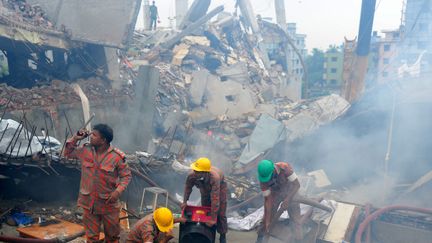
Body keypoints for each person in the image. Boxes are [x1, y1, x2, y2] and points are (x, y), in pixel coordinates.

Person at [64, 124, 131, 243]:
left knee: (112, 238)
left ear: (103, 140)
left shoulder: (117, 157)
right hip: (89, 205)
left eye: (94, 135)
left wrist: (117, 192)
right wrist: (75, 138)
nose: (90, 136)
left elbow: (126, 177)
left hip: (108, 205)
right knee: (92, 239)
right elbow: (67, 153)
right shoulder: (85, 150)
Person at [182, 157, 228, 243]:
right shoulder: (191, 175)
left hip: (220, 188)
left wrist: (213, 219)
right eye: (195, 170)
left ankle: (222, 235)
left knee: (221, 213)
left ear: (205, 172)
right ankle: (206, 233)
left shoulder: (215, 177)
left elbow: (215, 198)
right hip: (205, 188)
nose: (195, 173)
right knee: (205, 210)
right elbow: (187, 188)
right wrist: (185, 202)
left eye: (197, 172)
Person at [257, 160, 302, 240]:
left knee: (295, 221)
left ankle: (298, 240)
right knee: (265, 222)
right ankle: (260, 240)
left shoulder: (285, 167)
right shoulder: (263, 179)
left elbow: (297, 185)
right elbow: (267, 200)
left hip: (291, 192)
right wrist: (267, 221)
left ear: (273, 170)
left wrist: (288, 199)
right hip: (276, 194)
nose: (267, 180)